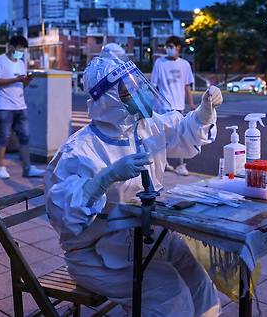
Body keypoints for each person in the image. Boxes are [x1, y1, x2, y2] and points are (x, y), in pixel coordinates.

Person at [45, 49, 222, 316]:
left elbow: (184, 131)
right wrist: (104, 179)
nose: (140, 93)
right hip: (94, 252)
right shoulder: (81, 150)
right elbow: (65, 218)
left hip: (146, 236)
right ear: (107, 99)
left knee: (200, 282)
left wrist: (204, 111)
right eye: (129, 90)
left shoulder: (144, 127)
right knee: (168, 293)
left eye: (137, 84)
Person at [0, 35, 45, 179]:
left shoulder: (21, 63)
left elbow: (22, 84)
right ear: (11, 47)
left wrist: (26, 81)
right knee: (4, 137)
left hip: (20, 105)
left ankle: (27, 168)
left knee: (25, 137)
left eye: (23, 50)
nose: (21, 53)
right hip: (3, 106)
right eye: (19, 49)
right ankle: (0, 168)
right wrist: (16, 79)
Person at [151, 36, 196, 176]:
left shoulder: (185, 65)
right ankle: (163, 162)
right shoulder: (159, 62)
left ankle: (181, 165)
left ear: (178, 48)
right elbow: (153, 85)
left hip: (178, 105)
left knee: (180, 136)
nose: (169, 49)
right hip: (162, 106)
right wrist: (150, 104)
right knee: (162, 136)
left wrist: (191, 103)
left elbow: (186, 86)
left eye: (171, 46)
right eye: (167, 46)